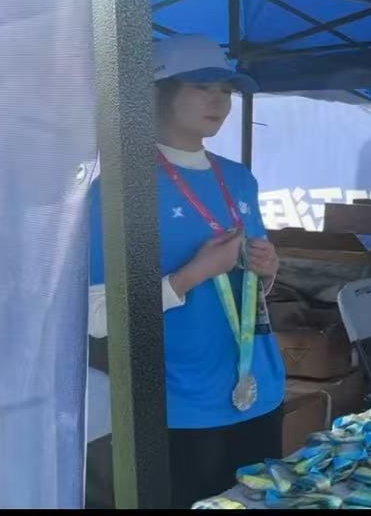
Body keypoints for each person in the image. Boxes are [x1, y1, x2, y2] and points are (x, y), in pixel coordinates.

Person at [86, 34, 284, 508]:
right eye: (202, 86)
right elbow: (96, 316)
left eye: (226, 90)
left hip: (261, 389)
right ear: (157, 92)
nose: (219, 101)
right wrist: (189, 276)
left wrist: (267, 270)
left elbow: (249, 289)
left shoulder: (239, 178)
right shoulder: (119, 187)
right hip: (180, 405)